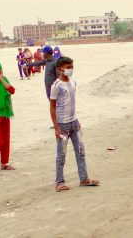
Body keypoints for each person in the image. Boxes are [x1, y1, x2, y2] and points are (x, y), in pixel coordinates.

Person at [50, 56, 99, 192]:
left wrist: (76, 120)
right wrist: (56, 127)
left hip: (74, 122)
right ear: (61, 69)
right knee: (61, 154)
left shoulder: (73, 82)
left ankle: (84, 179)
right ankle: (59, 182)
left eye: (71, 66)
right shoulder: (56, 86)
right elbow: (52, 107)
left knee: (80, 151)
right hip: (62, 125)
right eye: (68, 67)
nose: (70, 69)